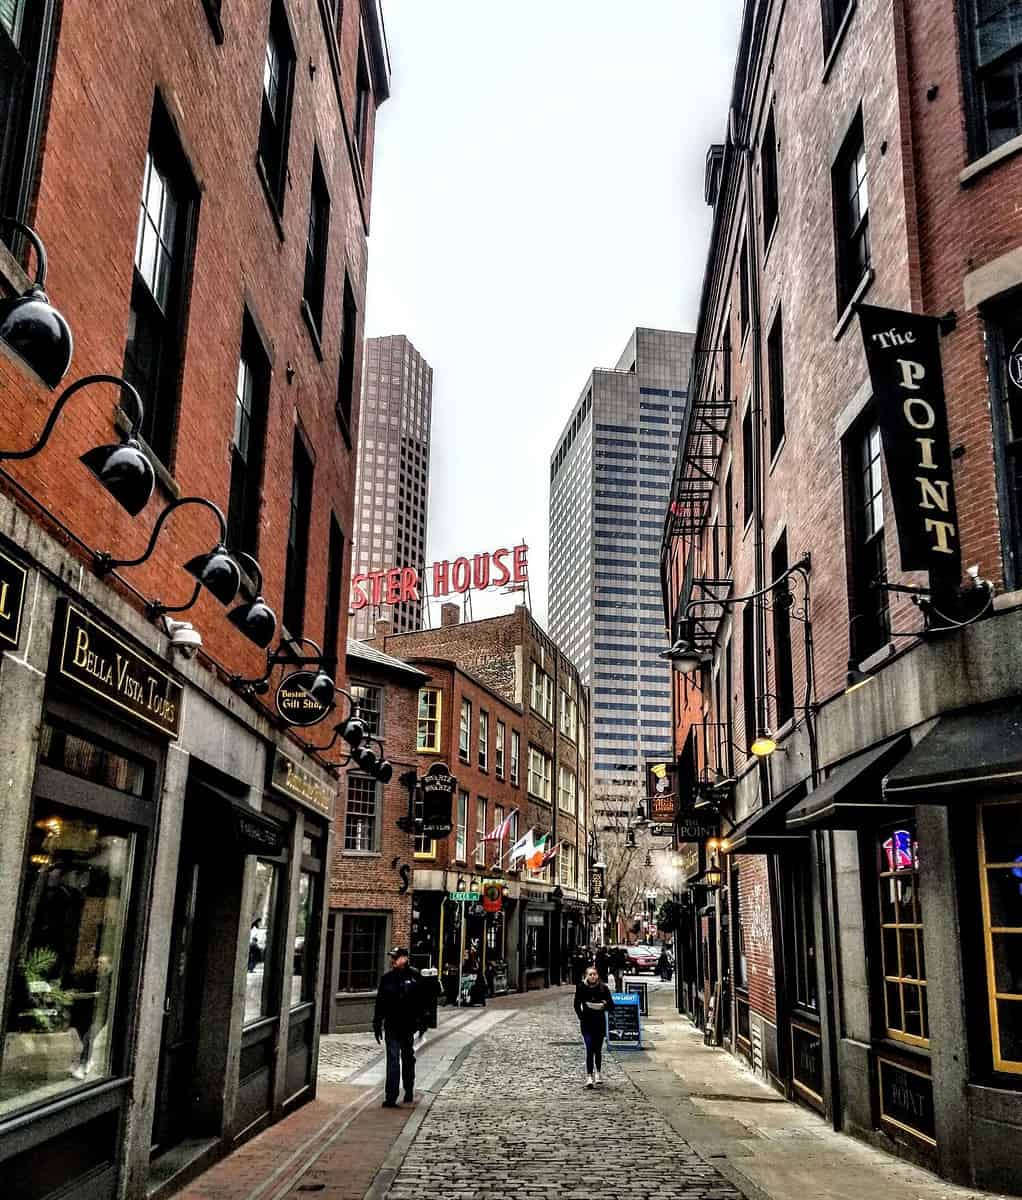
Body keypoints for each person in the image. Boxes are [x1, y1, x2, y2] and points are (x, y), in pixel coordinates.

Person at [373, 946, 427, 1108]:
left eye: (395, 957)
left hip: (408, 1025)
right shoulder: (387, 978)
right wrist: (377, 1023)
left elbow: (422, 1001)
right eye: (392, 957)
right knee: (393, 1059)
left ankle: (409, 1089)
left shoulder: (415, 976)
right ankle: (391, 1096)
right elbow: (380, 1002)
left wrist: (422, 1022)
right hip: (392, 1025)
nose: (392, 960)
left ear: (404, 958)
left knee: (408, 1058)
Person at [573, 964, 615, 1087]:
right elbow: (576, 1004)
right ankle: (589, 1077)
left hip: (599, 1022)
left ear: (598, 976)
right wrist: (581, 1016)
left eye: (594, 974)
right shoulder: (581, 988)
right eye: (590, 974)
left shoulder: (604, 989)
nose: (592, 976)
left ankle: (598, 1073)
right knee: (589, 1048)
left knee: (598, 1050)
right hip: (587, 1023)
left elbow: (612, 1006)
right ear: (586, 976)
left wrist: (604, 1005)